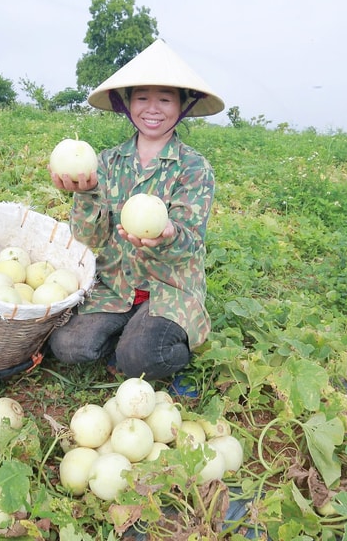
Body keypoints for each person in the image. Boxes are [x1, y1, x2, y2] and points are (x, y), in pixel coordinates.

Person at [47, 38, 224, 383]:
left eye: (165, 98)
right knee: (68, 345)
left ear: (183, 105)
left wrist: (169, 234)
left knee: (143, 357)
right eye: (142, 97)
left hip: (169, 288)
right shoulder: (107, 162)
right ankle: (131, 330)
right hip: (115, 286)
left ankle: (148, 338)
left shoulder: (194, 168)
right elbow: (89, 237)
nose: (152, 108)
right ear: (127, 103)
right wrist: (85, 195)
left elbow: (190, 242)